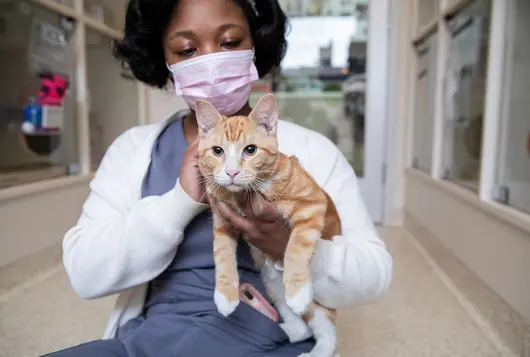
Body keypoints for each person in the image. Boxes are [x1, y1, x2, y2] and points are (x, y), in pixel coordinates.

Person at [43, 0, 393, 356]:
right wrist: (179, 201)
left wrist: (288, 248)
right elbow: (85, 273)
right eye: (186, 49)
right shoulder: (132, 150)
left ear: (256, 43)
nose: (210, 61)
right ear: (162, 56)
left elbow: (374, 274)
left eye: (228, 43)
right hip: (148, 339)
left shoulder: (313, 153)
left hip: (271, 338)